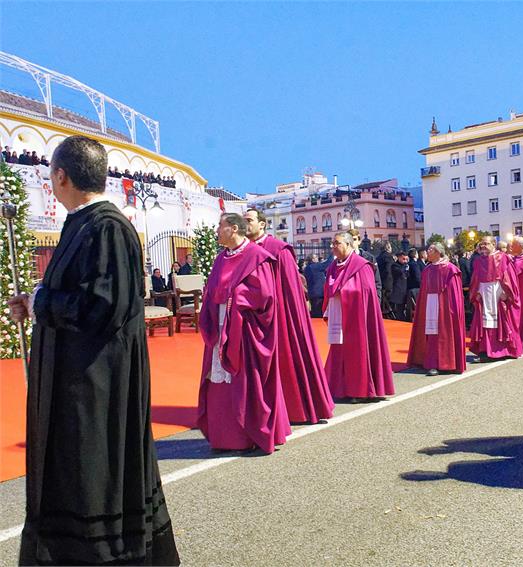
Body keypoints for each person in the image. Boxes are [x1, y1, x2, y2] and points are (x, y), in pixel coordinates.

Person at [7, 136, 179, 564]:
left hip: (94, 389)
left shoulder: (107, 227)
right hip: (75, 381)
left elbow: (104, 307)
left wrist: (43, 303)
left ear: (61, 177)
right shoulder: (83, 223)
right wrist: (35, 300)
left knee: (93, 478)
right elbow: (78, 294)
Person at [197, 213, 291, 453]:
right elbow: (212, 289)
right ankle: (224, 435)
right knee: (218, 380)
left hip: (244, 330)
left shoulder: (258, 258)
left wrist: (234, 298)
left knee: (246, 380)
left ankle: (248, 435)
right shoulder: (221, 258)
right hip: (220, 328)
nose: (217, 230)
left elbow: (266, 296)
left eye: (220, 226)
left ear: (234, 229)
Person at [244, 208, 334, 424]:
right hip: (252, 317)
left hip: (279, 315)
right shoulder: (244, 250)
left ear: (262, 224)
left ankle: (297, 408)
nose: (245, 224)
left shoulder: (278, 249)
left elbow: (290, 289)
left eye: (249, 220)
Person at [323, 232, 395, 400]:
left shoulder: (361, 265)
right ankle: (340, 386)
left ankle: (360, 389)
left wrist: (344, 292)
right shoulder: (334, 265)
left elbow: (365, 291)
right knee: (339, 350)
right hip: (339, 312)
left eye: (337, 243)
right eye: (332, 243)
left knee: (358, 350)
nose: (333, 246)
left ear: (349, 245)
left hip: (357, 316)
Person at [407, 242, 466, 376]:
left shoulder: (450, 269)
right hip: (430, 305)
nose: (427, 251)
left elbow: (454, 293)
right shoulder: (427, 269)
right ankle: (432, 362)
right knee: (432, 334)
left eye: (431, 249)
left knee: (445, 333)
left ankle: (447, 362)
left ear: (439, 252)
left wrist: (449, 307)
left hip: (445, 306)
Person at [468, 236, 523, 361]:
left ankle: (501, 350)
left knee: (500, 320)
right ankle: (485, 350)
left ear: (494, 244)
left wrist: (506, 292)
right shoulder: (478, 260)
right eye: (481, 244)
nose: (483, 246)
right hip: (483, 292)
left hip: (498, 292)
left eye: (486, 243)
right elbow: (475, 278)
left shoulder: (503, 257)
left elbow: (509, 277)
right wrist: (475, 291)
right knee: (484, 321)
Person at [389, 251, 411, 320]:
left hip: (405, 288)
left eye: (406, 259)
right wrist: (405, 268)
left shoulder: (405, 265)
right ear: (399, 258)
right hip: (398, 289)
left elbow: (407, 275)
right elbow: (400, 272)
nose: (405, 261)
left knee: (406, 307)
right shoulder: (394, 265)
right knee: (399, 309)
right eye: (403, 259)